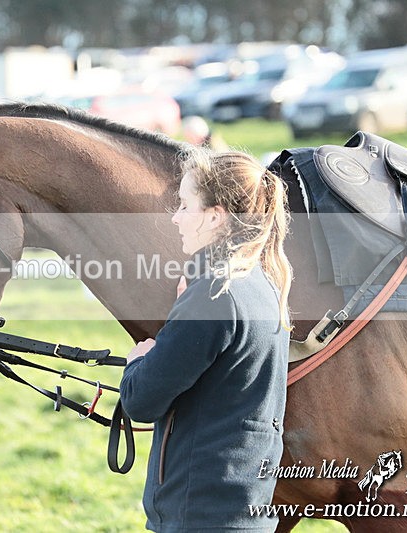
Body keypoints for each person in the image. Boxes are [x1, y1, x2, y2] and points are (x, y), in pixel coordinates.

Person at [120, 148, 292, 532]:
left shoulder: (213, 294)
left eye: (184, 205)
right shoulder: (263, 283)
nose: (176, 218)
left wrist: (138, 362)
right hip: (241, 509)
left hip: (200, 515)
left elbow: (141, 401)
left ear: (216, 217)